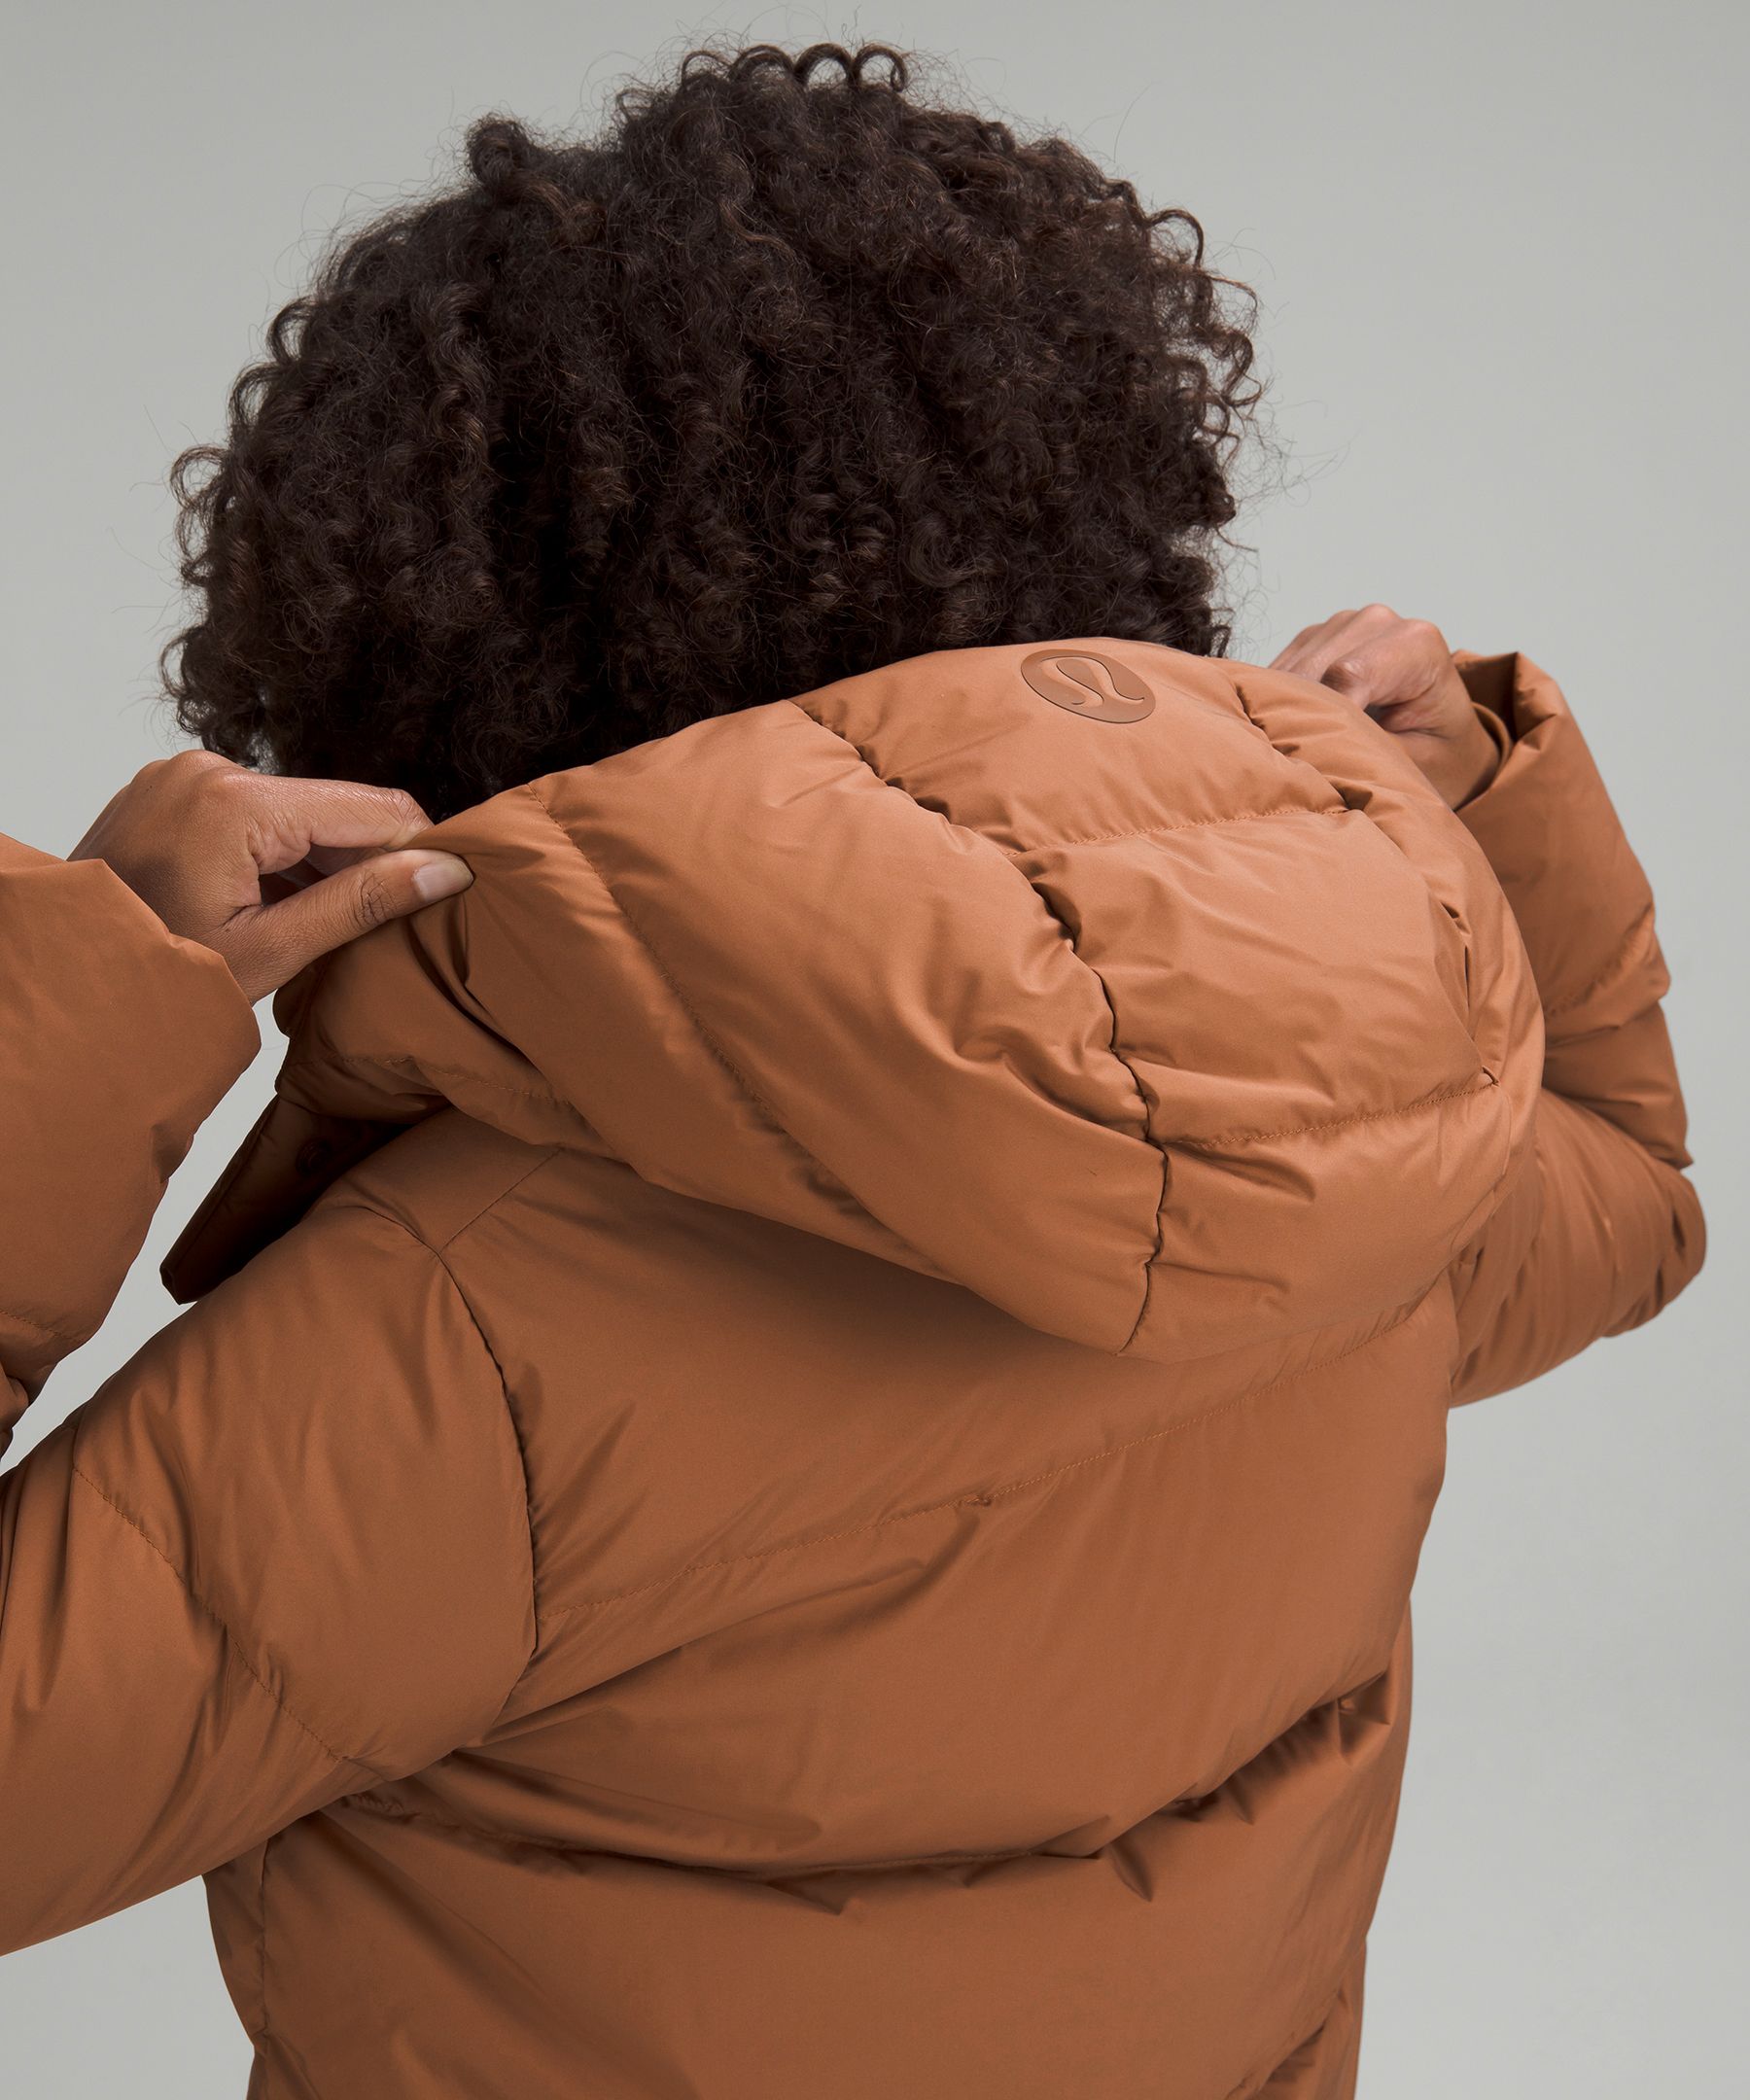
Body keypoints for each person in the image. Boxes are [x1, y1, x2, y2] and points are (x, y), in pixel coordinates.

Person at [0, 40, 1702, 2100]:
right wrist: (1486, 792)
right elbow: (1627, 1190)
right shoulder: (1338, 1132)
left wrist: (75, 1009)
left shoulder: (458, 1330)